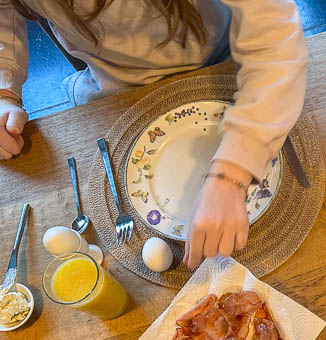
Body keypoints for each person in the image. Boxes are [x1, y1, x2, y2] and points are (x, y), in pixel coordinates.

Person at [0, 0, 308, 268]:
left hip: (219, 59)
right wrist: (4, 88)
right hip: (116, 89)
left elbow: (275, 39)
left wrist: (234, 170)